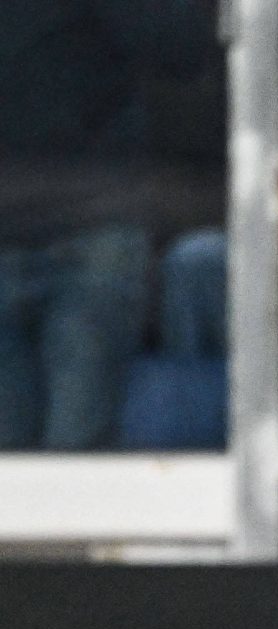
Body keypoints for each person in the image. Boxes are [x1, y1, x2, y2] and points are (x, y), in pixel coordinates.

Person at [0, 0, 215, 450]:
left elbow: (185, 46)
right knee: (63, 457)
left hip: (97, 220)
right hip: (95, 215)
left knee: (77, 457)